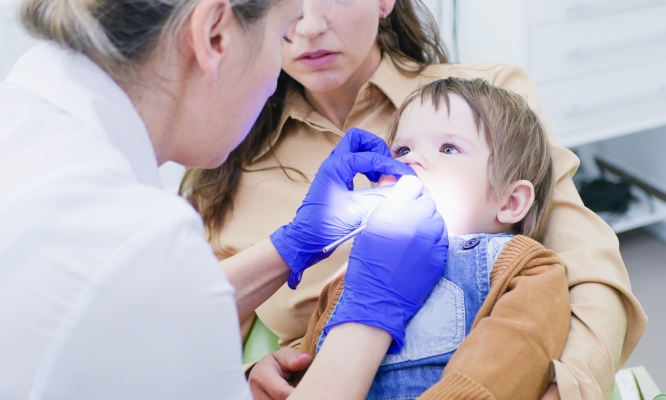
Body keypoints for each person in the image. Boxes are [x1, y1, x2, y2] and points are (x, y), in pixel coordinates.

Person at [0, 0, 450, 398]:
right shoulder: (143, 243)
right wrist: (368, 312)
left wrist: (291, 248)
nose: (273, 83)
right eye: (283, 32)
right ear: (215, 34)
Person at [180, 0, 648, 397]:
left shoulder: (489, 99)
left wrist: (565, 388)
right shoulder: (223, 159)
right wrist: (252, 381)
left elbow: (589, 270)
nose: (308, 26)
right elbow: (179, 337)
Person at [299, 77, 572, 399]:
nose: (408, 160)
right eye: (401, 149)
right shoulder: (348, 276)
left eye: (448, 148)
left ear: (510, 202)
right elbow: (314, 370)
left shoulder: (523, 267)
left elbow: (509, 365)